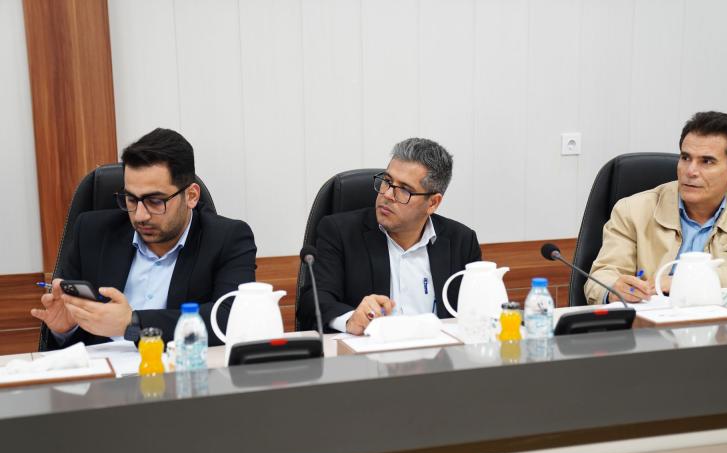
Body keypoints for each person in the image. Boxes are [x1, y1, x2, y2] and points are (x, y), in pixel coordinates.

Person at [31, 128, 257, 347]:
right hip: (104, 370)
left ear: (191, 196)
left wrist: (132, 323)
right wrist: (65, 329)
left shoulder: (228, 239)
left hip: (181, 366)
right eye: (131, 199)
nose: (140, 215)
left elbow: (230, 319)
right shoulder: (91, 232)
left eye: (155, 201)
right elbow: (73, 340)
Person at [586, 111, 727, 305]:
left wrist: (691, 279)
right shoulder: (633, 210)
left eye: (707, 161)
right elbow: (601, 277)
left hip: (724, 325)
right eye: (685, 158)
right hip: (650, 324)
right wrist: (612, 289)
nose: (690, 171)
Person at [297, 138, 481, 335]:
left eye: (404, 190)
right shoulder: (339, 232)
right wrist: (350, 319)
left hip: (439, 351)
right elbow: (312, 302)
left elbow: (480, 311)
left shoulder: (462, 242)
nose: (387, 195)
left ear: (433, 203)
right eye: (387, 181)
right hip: (368, 352)